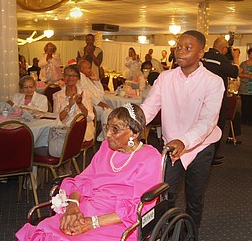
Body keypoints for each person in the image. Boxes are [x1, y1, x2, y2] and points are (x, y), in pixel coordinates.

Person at [16, 103, 162, 241]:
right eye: (107, 127)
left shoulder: (150, 158)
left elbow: (142, 207)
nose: (108, 134)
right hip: (90, 206)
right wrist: (72, 207)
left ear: (134, 133)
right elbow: (84, 179)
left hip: (119, 220)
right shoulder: (106, 148)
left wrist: (93, 223)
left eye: (115, 129)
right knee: (47, 230)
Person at [141, 30, 225, 234]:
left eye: (188, 47)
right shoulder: (165, 77)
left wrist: (184, 141)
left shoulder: (213, 82)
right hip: (171, 148)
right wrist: (130, 120)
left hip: (201, 147)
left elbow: (207, 121)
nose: (181, 51)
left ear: (201, 53)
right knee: (165, 195)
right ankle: (167, 233)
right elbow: (149, 107)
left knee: (194, 197)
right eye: (179, 47)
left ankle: (190, 234)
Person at [202, 36, 240, 166]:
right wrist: (235, 58)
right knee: (217, 125)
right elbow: (235, 72)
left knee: (201, 124)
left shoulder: (203, 56)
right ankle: (211, 155)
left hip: (201, 97)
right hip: (217, 98)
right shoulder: (221, 60)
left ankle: (203, 154)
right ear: (224, 49)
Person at [53, 65, 94, 143]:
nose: (70, 78)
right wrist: (69, 105)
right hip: (63, 129)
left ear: (78, 78)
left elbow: (90, 117)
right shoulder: (57, 95)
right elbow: (57, 119)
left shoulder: (85, 94)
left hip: (82, 128)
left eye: (74, 75)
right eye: (67, 75)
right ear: (63, 77)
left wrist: (80, 104)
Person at [77, 59, 111, 141]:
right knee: (107, 111)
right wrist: (99, 103)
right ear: (81, 69)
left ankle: (103, 135)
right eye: (88, 68)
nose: (90, 70)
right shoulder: (81, 77)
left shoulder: (87, 78)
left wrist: (96, 80)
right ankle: (105, 137)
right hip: (89, 106)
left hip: (95, 104)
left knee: (109, 110)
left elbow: (101, 93)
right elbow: (86, 93)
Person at [238, 47, 252, 126]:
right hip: (244, 89)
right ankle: (243, 120)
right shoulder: (243, 64)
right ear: (249, 54)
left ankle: (251, 120)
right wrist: (247, 75)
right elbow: (239, 74)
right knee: (244, 105)